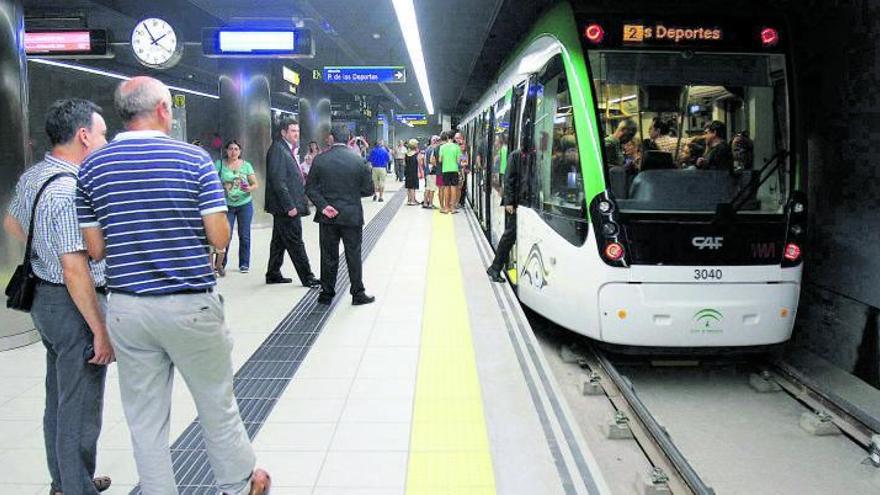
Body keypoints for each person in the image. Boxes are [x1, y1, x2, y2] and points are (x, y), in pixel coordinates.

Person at [75, 77, 271, 494]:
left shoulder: (92, 167)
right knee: (216, 402)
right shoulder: (195, 160)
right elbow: (219, 238)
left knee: (145, 420)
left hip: (127, 308)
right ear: (164, 110)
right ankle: (238, 486)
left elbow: (95, 249)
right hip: (190, 307)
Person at [4, 98, 113, 495]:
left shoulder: (36, 175)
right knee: (80, 405)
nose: (105, 140)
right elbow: (75, 269)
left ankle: (67, 479)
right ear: (83, 136)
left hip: (44, 303)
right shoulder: (70, 190)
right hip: (73, 305)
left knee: (60, 396)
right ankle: (75, 488)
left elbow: (13, 222)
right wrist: (99, 329)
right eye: (102, 134)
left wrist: (45, 254)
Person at [305, 123, 375, 306]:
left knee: (328, 255)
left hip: (328, 217)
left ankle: (327, 294)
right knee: (354, 254)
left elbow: (310, 188)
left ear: (331, 138)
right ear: (349, 138)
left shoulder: (320, 160)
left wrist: (324, 205)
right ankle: (358, 293)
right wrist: (351, 195)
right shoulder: (359, 160)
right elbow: (369, 190)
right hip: (351, 215)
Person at [264, 117, 320, 287]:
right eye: (293, 131)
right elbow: (278, 181)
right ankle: (307, 277)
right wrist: (289, 206)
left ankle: (273, 273)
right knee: (295, 241)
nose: (296, 134)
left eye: (297, 131)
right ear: (283, 132)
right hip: (286, 207)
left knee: (279, 241)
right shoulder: (278, 150)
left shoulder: (285, 149)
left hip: (285, 206)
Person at [215, 139, 258, 275]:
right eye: (231, 149)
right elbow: (212, 180)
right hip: (226, 205)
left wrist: (249, 188)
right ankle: (221, 263)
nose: (233, 152)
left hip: (245, 204)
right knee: (226, 235)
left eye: (236, 149)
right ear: (226, 151)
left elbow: (255, 184)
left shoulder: (246, 165)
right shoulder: (219, 164)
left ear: (240, 151)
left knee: (244, 235)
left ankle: (244, 263)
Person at [487, 148, 528, 283]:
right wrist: (509, 202)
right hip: (514, 203)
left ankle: (495, 267)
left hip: (523, 202)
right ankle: (495, 268)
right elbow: (509, 179)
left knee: (511, 235)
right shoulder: (515, 155)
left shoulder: (532, 154)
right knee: (510, 235)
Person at [438, 131, 462, 214]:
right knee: (454, 188)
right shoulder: (457, 147)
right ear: (453, 137)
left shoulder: (442, 147)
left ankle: (446, 208)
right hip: (454, 170)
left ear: (447, 137)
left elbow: (440, 160)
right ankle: (453, 208)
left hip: (445, 170)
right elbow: (458, 161)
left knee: (446, 188)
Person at [422, 135, 440, 209]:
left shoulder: (427, 149)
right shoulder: (434, 149)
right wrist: (438, 166)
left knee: (427, 188)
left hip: (427, 171)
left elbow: (424, 161)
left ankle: (425, 202)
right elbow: (432, 161)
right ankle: (430, 204)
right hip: (433, 171)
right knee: (432, 188)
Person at [404, 139, 421, 205]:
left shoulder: (407, 154)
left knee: (409, 186)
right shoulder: (416, 154)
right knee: (413, 187)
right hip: (414, 172)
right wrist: (420, 172)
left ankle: (409, 200)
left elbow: (404, 163)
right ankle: (413, 200)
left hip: (407, 171)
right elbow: (419, 164)